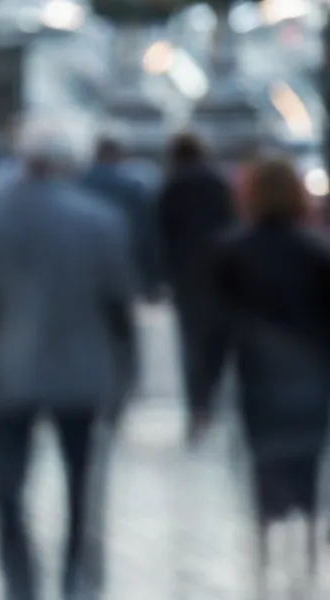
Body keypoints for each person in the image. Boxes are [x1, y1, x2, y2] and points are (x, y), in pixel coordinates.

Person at [0, 125, 138, 600]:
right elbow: (119, 311)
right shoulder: (102, 221)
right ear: (69, 166)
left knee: (11, 492)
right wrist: (126, 378)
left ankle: (22, 584)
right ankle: (77, 579)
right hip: (83, 376)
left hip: (10, 375)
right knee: (82, 491)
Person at [197, 158, 330, 596]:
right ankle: (307, 562)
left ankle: (264, 559)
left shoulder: (231, 251)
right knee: (307, 469)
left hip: (258, 377)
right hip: (310, 378)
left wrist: (204, 395)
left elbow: (216, 330)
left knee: (264, 467)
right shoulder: (316, 251)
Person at [156, 133, 237, 422]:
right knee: (218, 340)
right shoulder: (218, 183)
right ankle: (210, 393)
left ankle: (198, 402)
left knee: (192, 341)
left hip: (186, 276)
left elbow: (161, 234)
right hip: (219, 273)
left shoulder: (171, 187)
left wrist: (162, 275)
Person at [79, 136, 162, 299]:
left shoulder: (80, 184)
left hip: (85, 266)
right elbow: (145, 234)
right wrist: (153, 279)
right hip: (123, 264)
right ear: (121, 155)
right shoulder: (132, 187)